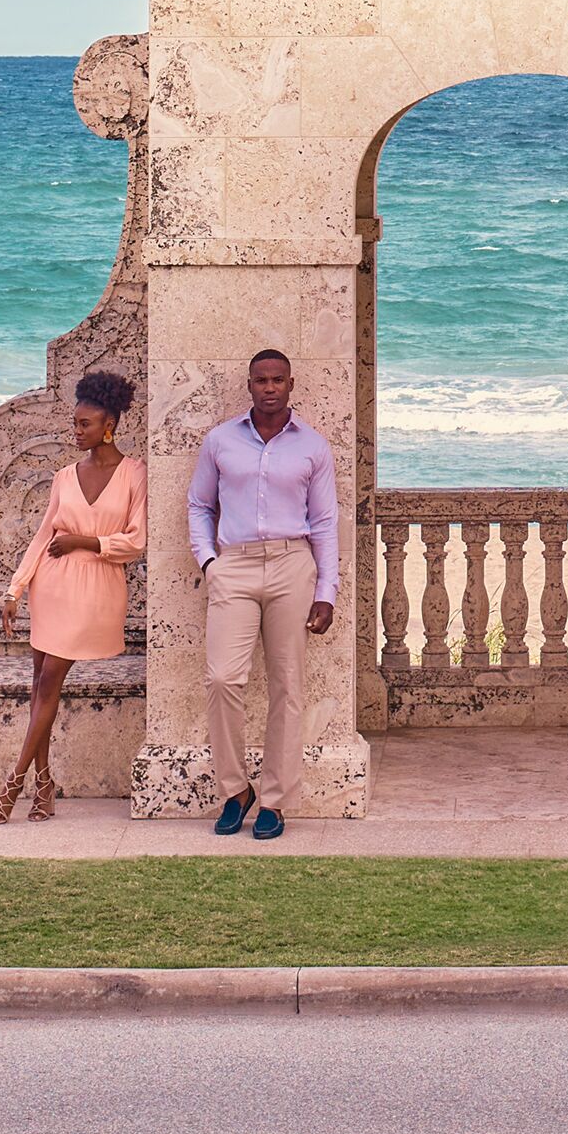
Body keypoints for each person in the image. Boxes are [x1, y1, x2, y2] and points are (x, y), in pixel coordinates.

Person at [187, 346, 339, 842]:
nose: (269, 387)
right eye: (261, 380)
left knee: (287, 687)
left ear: (291, 385)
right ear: (249, 385)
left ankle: (273, 800)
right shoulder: (220, 441)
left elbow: (325, 523)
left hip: (292, 566)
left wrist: (326, 591)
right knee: (223, 680)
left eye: (277, 380)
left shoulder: (313, 447)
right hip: (234, 567)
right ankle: (235, 790)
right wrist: (209, 561)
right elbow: (198, 504)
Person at [0, 369, 146, 823]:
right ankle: (44, 785)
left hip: (95, 590)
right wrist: (15, 589)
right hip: (52, 587)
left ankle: (13, 783)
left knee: (50, 678)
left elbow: (135, 542)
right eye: (75, 423)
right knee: (41, 685)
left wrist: (86, 543)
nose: (76, 431)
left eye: (85, 424)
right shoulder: (63, 476)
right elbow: (42, 537)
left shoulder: (135, 474)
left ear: (109, 425)